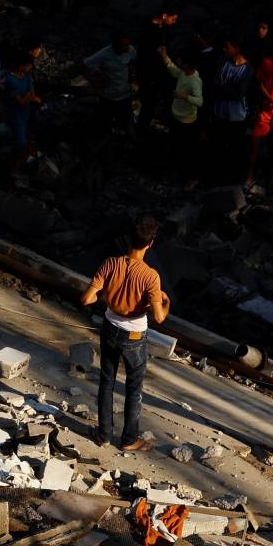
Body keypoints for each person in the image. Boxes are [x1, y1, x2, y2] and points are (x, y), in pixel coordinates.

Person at [80, 215, 170, 452]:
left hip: (110, 327)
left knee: (106, 380)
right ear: (150, 244)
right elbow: (159, 317)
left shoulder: (110, 263)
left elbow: (87, 298)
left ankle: (104, 434)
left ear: (129, 239)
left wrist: (110, 295)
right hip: (134, 336)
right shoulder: (151, 276)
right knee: (133, 386)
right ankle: (129, 439)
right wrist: (165, 301)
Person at [208, 36, 253, 187]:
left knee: (236, 148)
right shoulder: (222, 63)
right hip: (220, 113)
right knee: (218, 145)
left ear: (236, 48)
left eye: (227, 46)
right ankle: (217, 177)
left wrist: (222, 88)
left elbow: (238, 94)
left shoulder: (247, 69)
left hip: (237, 116)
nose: (224, 49)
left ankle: (235, 179)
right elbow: (213, 84)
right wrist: (228, 88)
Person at [136, 0, 181, 136]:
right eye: (173, 18)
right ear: (165, 15)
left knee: (162, 101)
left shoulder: (162, 29)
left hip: (160, 72)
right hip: (151, 73)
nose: (174, 22)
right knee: (150, 103)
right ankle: (142, 131)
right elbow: (147, 54)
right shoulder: (150, 30)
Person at [246, 38, 273, 188]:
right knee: (255, 140)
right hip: (266, 108)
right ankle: (250, 175)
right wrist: (271, 100)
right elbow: (260, 84)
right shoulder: (267, 62)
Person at [83, 30, 138, 135]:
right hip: (108, 97)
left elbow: (133, 62)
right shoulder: (103, 54)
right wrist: (94, 82)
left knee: (128, 124)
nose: (127, 47)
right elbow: (84, 66)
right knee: (104, 125)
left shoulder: (131, 50)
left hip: (125, 95)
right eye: (123, 45)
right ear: (115, 45)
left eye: (128, 44)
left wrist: (132, 76)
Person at [159, 48, 203, 176]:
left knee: (187, 149)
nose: (177, 61)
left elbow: (200, 102)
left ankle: (191, 175)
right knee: (176, 145)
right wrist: (164, 56)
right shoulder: (184, 73)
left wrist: (183, 96)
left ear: (186, 64)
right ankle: (177, 169)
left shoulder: (195, 81)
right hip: (176, 116)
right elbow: (173, 70)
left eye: (180, 60)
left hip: (186, 121)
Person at [3, 50, 41, 170]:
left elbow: (33, 95)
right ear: (20, 66)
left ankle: (21, 158)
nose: (30, 67)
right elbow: (22, 101)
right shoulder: (9, 79)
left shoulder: (27, 76)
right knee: (20, 140)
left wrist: (27, 97)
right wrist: (28, 96)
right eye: (28, 65)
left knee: (26, 135)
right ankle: (14, 162)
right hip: (15, 113)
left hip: (25, 111)